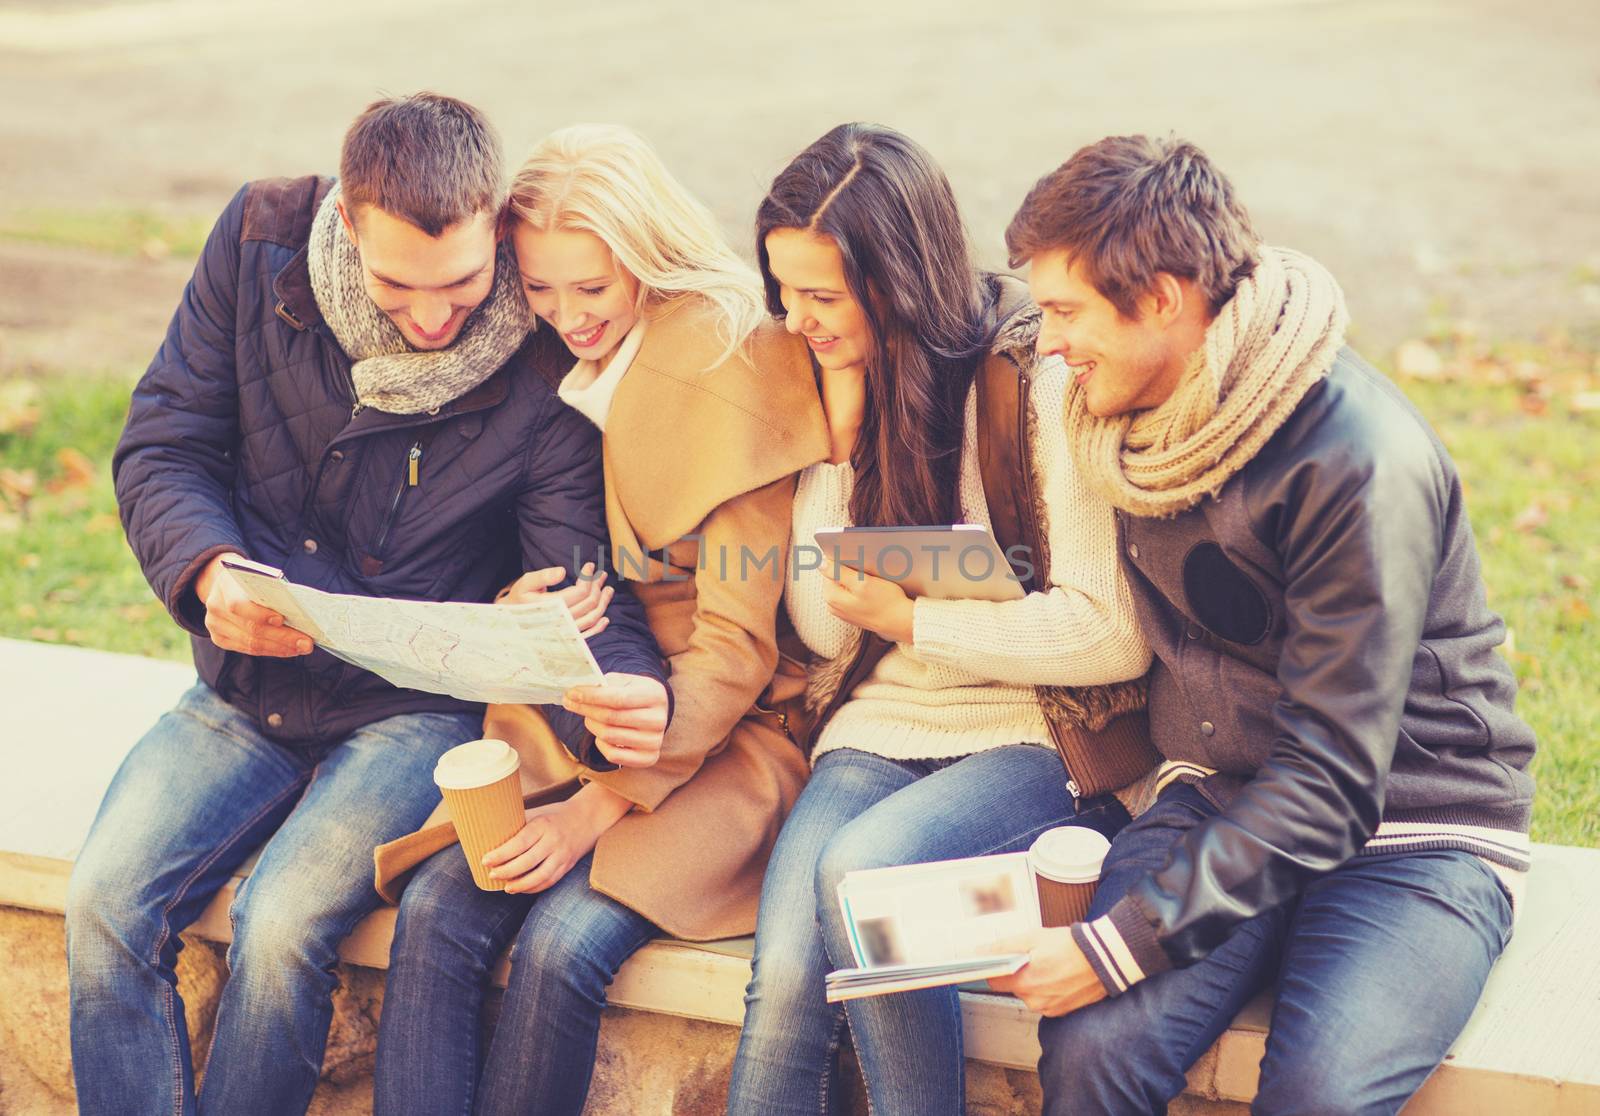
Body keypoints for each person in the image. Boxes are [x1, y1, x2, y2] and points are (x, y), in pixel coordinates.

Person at [67, 94, 670, 1116]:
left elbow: (581, 590)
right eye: (398, 283)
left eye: (466, 282)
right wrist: (210, 573)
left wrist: (621, 695)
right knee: (100, 908)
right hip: (247, 683)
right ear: (347, 220)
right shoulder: (257, 243)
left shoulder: (543, 359)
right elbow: (165, 445)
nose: (436, 317)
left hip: (410, 715)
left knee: (282, 923)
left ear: (495, 228)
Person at [989, 134, 1536, 1116]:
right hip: (1223, 789)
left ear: (1161, 297)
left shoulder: (1356, 459)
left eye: (1068, 310)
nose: (1051, 340)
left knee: (1316, 1094)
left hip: (1411, 824)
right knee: (1092, 1056)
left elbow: (1331, 781)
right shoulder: (1126, 417)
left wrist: (1117, 946)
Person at [369, 124, 831, 1116]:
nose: (565, 316)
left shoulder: (724, 363)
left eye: (593, 288)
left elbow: (739, 645)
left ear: (648, 260)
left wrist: (594, 806)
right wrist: (517, 608)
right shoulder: (542, 362)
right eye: (538, 288)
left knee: (562, 949)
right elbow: (535, 547)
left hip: (722, 732)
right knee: (443, 908)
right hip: (575, 694)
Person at [724, 123, 1153, 1116]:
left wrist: (920, 627)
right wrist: (836, 439)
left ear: (899, 279)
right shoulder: (835, 380)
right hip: (876, 731)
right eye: (784, 292)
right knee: (785, 979)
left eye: (824, 297)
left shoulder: (1035, 387)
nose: (799, 321)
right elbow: (831, 638)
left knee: (863, 875)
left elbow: (1106, 634)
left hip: (1033, 733)